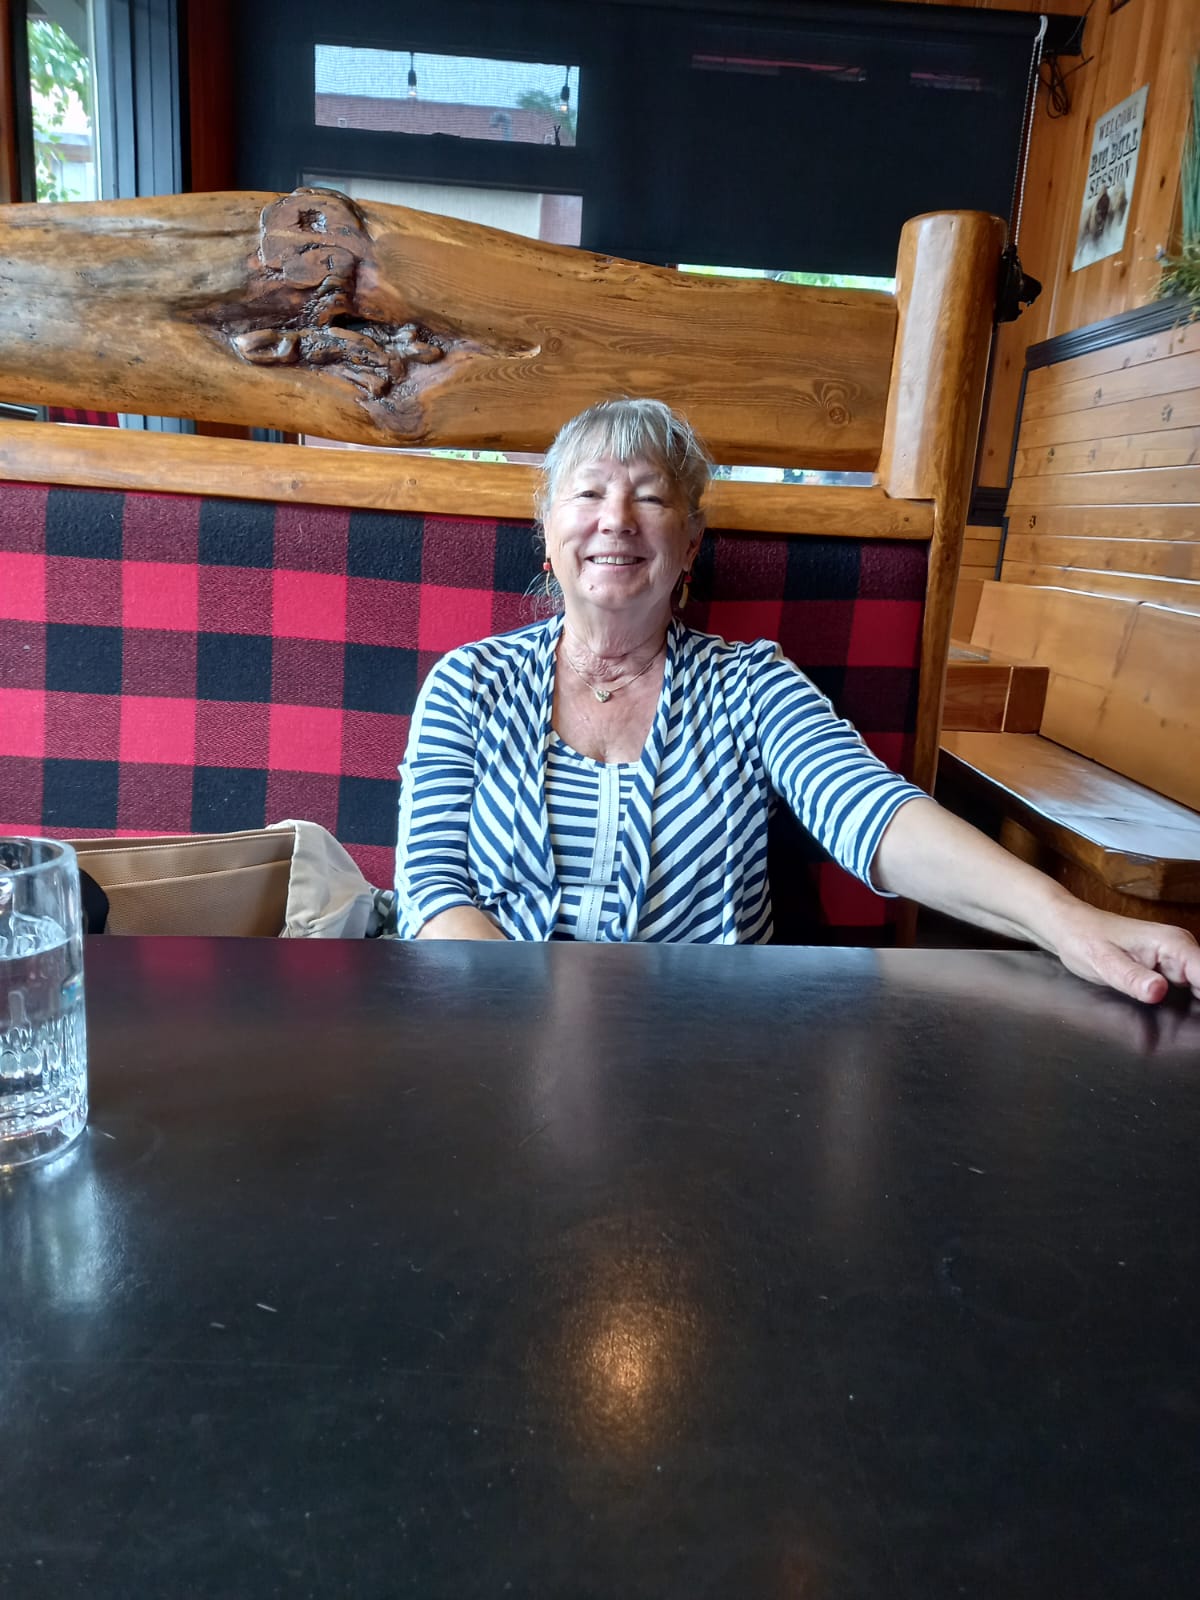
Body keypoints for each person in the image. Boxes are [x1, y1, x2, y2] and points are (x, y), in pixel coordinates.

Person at [396, 399, 1200, 1004]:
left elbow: (875, 817)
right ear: (547, 531)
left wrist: (1069, 921)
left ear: (690, 544)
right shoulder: (470, 682)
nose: (617, 520)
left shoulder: (752, 684)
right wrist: (536, 1019)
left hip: (710, 1054)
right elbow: (432, 894)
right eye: (589, 494)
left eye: (650, 497)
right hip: (499, 1031)